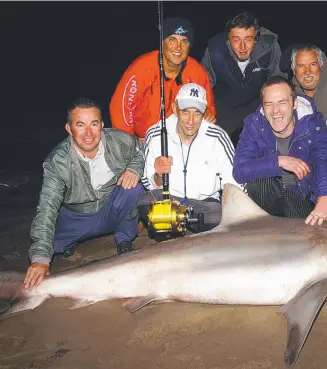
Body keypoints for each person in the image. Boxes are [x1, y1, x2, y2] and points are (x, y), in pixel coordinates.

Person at [24, 97, 145, 290]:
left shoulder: (119, 140)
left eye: (94, 124)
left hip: (109, 207)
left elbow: (140, 151)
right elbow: (46, 209)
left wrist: (134, 169)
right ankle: (68, 243)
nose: (89, 133)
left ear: (102, 125)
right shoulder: (57, 162)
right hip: (78, 216)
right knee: (50, 247)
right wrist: (40, 259)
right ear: (69, 128)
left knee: (134, 189)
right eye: (80, 125)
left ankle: (124, 238)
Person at [233, 75, 327, 226]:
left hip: (301, 192)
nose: (275, 111)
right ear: (263, 106)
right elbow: (240, 171)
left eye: (282, 102)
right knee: (258, 182)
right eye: (269, 104)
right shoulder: (253, 125)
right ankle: (264, 232)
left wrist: (324, 198)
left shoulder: (313, 124)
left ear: (294, 103)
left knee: (291, 186)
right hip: (270, 191)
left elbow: (323, 160)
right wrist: (280, 161)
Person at [139, 83, 239, 231]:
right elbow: (147, 182)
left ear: (204, 113)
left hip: (204, 205)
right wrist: (158, 176)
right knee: (144, 202)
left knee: (219, 215)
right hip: (170, 202)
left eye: (197, 113)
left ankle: (179, 231)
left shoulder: (217, 137)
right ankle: (188, 230)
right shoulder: (155, 134)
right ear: (175, 109)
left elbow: (234, 182)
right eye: (185, 111)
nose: (190, 121)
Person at [110, 17, 216, 140]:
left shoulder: (197, 73)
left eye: (184, 41)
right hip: (141, 140)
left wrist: (207, 115)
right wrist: (130, 142)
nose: (178, 47)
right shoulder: (142, 68)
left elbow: (208, 107)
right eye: (172, 39)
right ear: (162, 42)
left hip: (179, 140)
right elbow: (120, 109)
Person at [201, 12, 285, 145]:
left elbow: (279, 83)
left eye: (248, 39)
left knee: (268, 141)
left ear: (256, 38)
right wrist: (205, 110)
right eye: (236, 40)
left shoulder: (270, 48)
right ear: (228, 38)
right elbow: (203, 86)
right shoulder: (214, 51)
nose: (243, 47)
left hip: (257, 103)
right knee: (208, 140)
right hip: (224, 105)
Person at [281, 44, 327, 121]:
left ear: (320, 65)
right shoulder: (288, 93)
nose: (308, 72)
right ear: (294, 70)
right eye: (301, 66)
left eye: (313, 64)